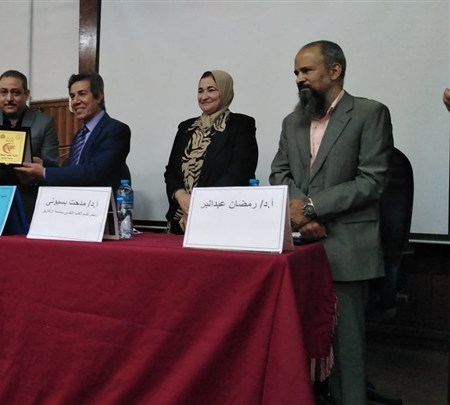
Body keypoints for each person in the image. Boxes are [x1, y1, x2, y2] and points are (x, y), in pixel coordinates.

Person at [269, 40, 393, 404]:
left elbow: (372, 180)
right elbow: (279, 174)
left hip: (345, 248)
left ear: (335, 70)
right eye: (296, 72)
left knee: (346, 351)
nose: (299, 78)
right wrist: (302, 216)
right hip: (297, 249)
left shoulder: (369, 113)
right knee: (294, 343)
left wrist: (310, 208)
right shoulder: (292, 121)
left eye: (307, 70)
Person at [163, 70, 258, 234]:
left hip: (221, 221)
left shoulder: (241, 125)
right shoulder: (186, 127)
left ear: (225, 91)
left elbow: (238, 173)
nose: (204, 96)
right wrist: (182, 197)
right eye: (200, 91)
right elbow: (171, 172)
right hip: (181, 220)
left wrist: (199, 206)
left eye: (211, 90)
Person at [0, 70, 59, 220]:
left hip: (27, 201)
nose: (9, 98)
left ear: (26, 94)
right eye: (4, 92)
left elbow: (51, 163)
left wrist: (36, 172)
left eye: (15, 93)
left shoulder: (44, 122)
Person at [15, 72, 131, 189]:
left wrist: (44, 172)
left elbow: (93, 172)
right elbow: (71, 171)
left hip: (103, 200)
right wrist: (42, 165)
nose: (75, 101)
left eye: (82, 94)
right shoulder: (79, 135)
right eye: (72, 96)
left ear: (99, 96)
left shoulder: (116, 130)